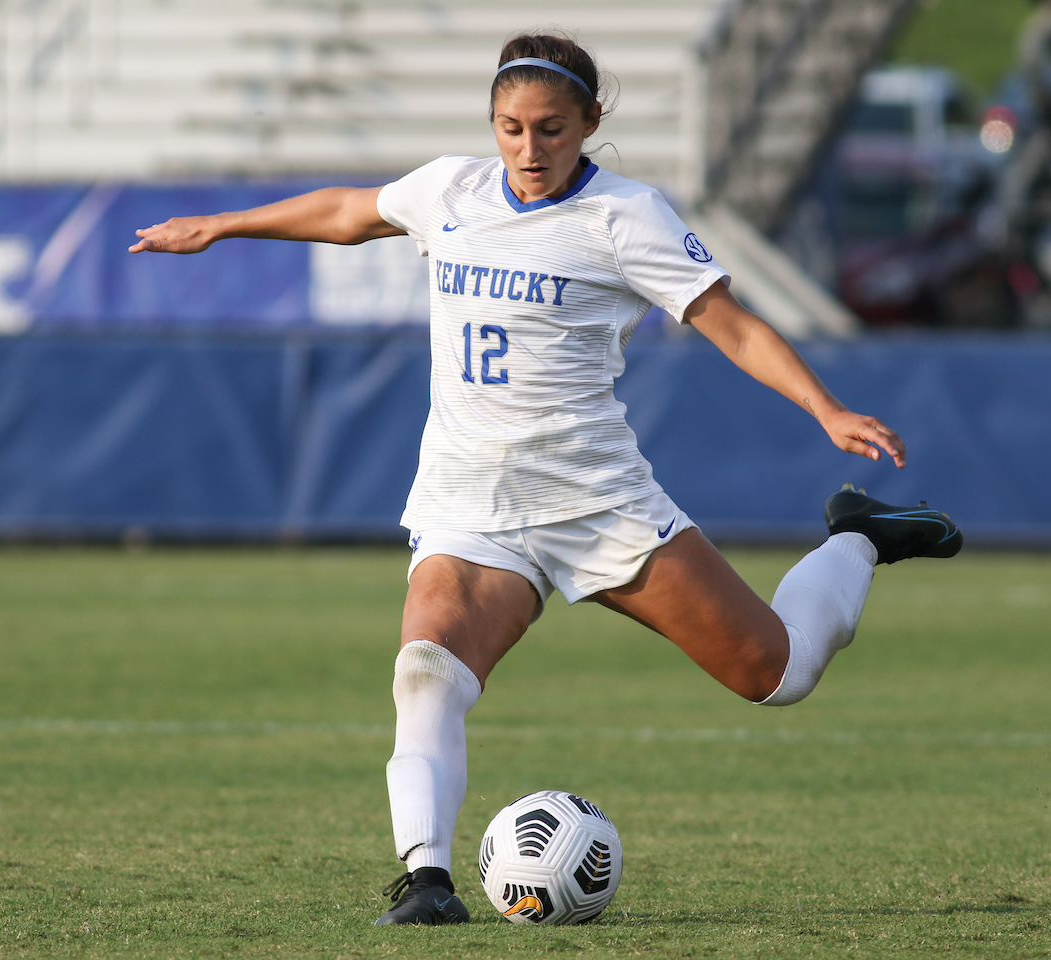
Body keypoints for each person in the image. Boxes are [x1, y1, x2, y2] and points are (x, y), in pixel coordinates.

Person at [130, 33, 962, 927]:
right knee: (425, 670)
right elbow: (346, 210)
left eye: (552, 130)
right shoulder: (450, 188)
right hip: (469, 500)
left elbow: (731, 323)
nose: (529, 150)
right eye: (511, 128)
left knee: (780, 672)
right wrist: (219, 226)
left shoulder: (626, 216)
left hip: (595, 500)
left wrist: (824, 408)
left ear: (591, 123)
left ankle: (857, 536)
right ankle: (426, 882)